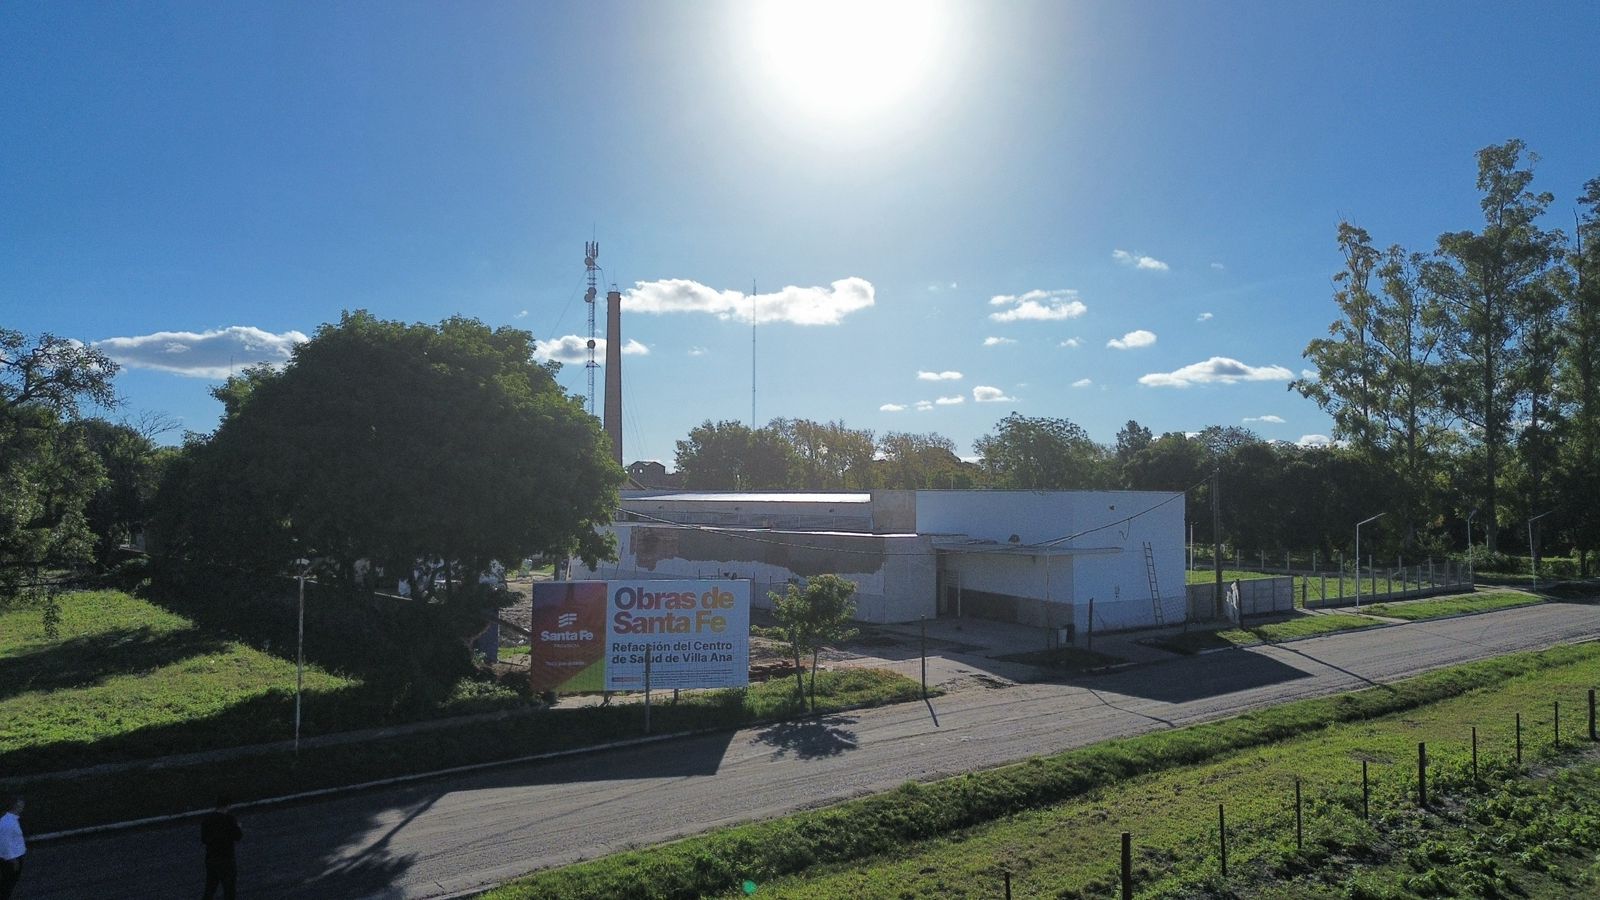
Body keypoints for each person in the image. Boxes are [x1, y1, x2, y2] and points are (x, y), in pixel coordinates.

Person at [199, 795, 243, 900]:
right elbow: (238, 836)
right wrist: (238, 827)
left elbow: (204, 839)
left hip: (211, 858)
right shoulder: (229, 819)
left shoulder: (207, 819)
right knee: (229, 889)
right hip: (226, 858)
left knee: (210, 887)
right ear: (228, 805)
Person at [0, 795, 23, 900]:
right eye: (20, 805)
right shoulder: (8, 822)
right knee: (7, 885)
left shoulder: (11, 819)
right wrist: (13, 861)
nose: (22, 808)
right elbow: (5, 844)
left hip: (13, 858)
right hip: (11, 860)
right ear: (14, 806)